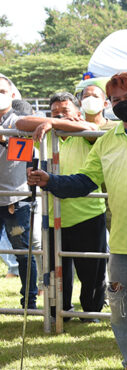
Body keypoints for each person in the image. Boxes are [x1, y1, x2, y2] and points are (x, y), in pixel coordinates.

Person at [27, 72, 127, 370]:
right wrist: (51, 181)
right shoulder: (105, 140)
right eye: (116, 100)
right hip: (122, 242)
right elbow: (84, 182)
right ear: (109, 104)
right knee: (120, 309)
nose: (122, 104)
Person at [16, 91, 109, 322]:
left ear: (77, 111)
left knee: (91, 272)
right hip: (52, 215)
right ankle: (60, 312)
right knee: (56, 270)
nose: (60, 116)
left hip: (87, 214)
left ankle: (91, 313)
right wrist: (53, 122)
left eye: (66, 111)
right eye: (54, 112)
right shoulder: (46, 131)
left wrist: (55, 122)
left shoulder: (85, 131)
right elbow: (20, 123)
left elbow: (90, 129)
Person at [0, 75, 39, 309]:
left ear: (13, 95)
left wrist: (5, 137)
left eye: (2, 90)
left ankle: (29, 301)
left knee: (22, 252)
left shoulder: (20, 121)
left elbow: (22, 155)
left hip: (15, 198)